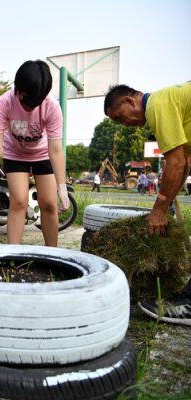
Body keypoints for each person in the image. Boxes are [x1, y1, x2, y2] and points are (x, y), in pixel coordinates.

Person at [104, 82, 191, 326]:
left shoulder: (157, 105)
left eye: (120, 117)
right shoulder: (170, 103)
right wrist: (169, 199)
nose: (125, 124)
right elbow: (185, 161)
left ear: (130, 101)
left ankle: (189, 304)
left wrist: (160, 209)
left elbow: (175, 163)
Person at [0, 60, 69, 247]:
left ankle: (52, 254)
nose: (29, 106)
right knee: (19, 202)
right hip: (15, 153)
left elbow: (55, 149)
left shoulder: (52, 107)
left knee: (48, 203)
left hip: (43, 153)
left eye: (35, 102)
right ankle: (12, 254)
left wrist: (62, 186)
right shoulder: (5, 102)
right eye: (25, 99)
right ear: (18, 89)